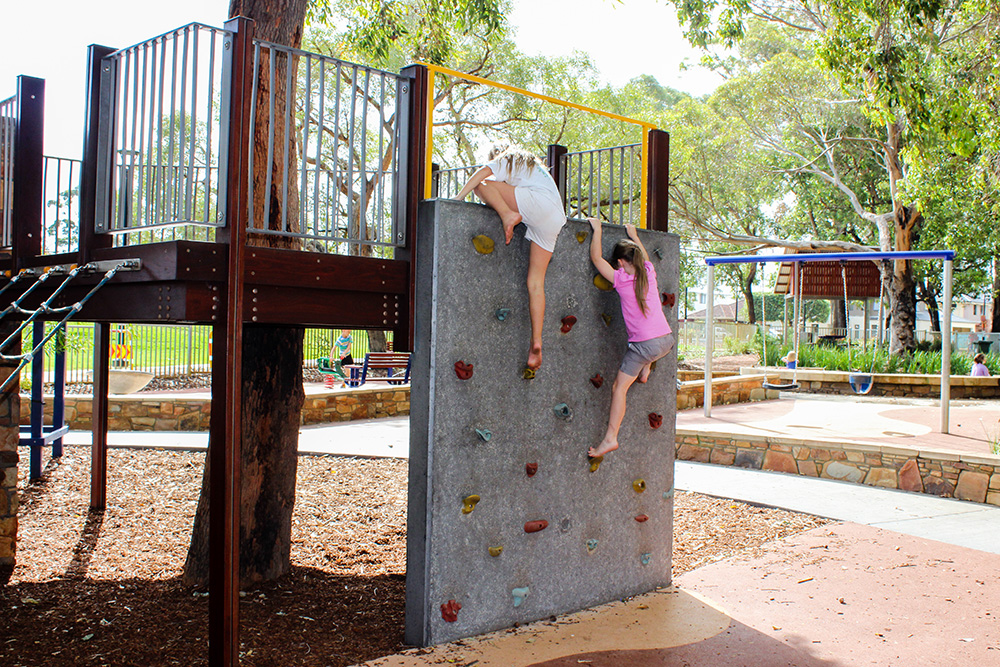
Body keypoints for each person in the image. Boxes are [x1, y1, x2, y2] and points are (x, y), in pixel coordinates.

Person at [454, 145, 565, 370]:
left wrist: (456, 200)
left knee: (482, 186)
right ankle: (536, 342)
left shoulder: (509, 158)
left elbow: (480, 176)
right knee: (535, 283)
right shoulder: (536, 169)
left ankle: (508, 215)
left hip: (537, 205)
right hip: (555, 218)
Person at [587, 218, 674, 458]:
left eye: (618, 262)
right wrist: (634, 235)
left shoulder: (620, 279)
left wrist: (597, 230)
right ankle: (644, 371)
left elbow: (596, 259)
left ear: (621, 263)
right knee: (646, 353)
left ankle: (610, 438)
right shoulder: (648, 272)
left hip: (644, 347)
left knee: (619, 388)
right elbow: (644, 255)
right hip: (666, 341)